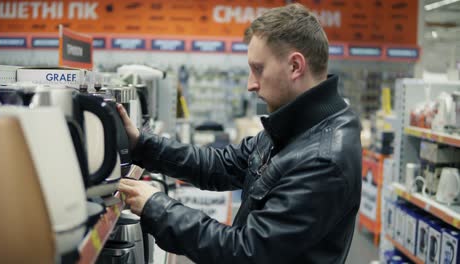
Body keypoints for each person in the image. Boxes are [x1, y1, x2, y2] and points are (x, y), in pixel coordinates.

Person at [117, 3, 362, 263]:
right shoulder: (293, 127)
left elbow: (248, 252)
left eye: (258, 69)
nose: (250, 84)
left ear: (295, 66)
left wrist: (158, 207)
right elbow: (222, 164)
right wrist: (142, 145)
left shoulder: (323, 160)